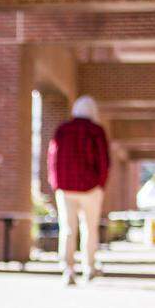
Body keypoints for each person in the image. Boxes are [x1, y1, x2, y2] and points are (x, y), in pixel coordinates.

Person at [48, 95, 110, 285]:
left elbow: (53, 158)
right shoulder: (96, 130)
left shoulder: (62, 130)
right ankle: (88, 268)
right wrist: (100, 184)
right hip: (90, 188)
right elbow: (104, 161)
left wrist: (55, 183)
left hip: (65, 188)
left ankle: (67, 269)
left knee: (67, 229)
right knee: (89, 229)